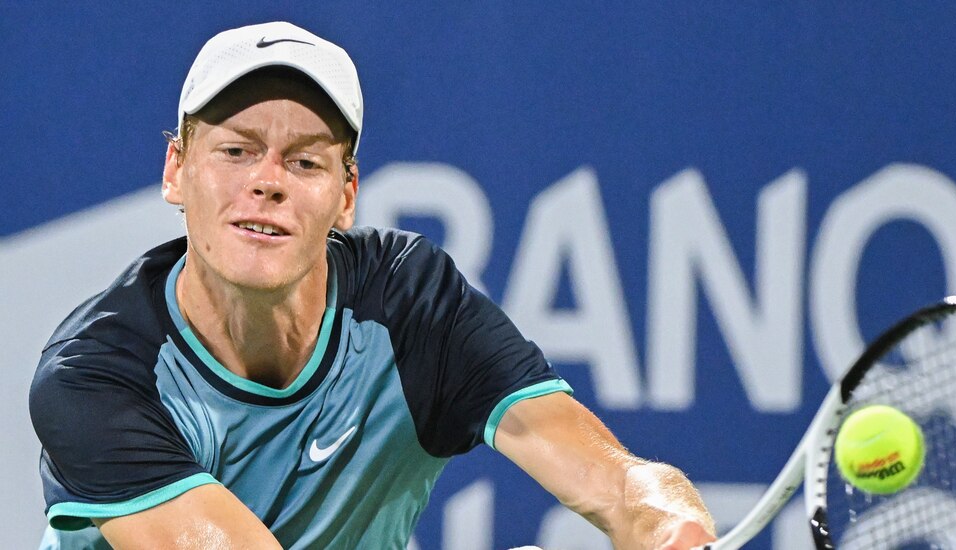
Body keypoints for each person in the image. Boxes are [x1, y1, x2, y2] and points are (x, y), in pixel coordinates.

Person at [29, 21, 716, 550]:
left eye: (304, 161)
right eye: (235, 150)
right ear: (177, 171)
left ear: (346, 196)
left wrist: (667, 517)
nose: (267, 181)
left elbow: (617, 481)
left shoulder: (411, 307)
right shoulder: (94, 378)